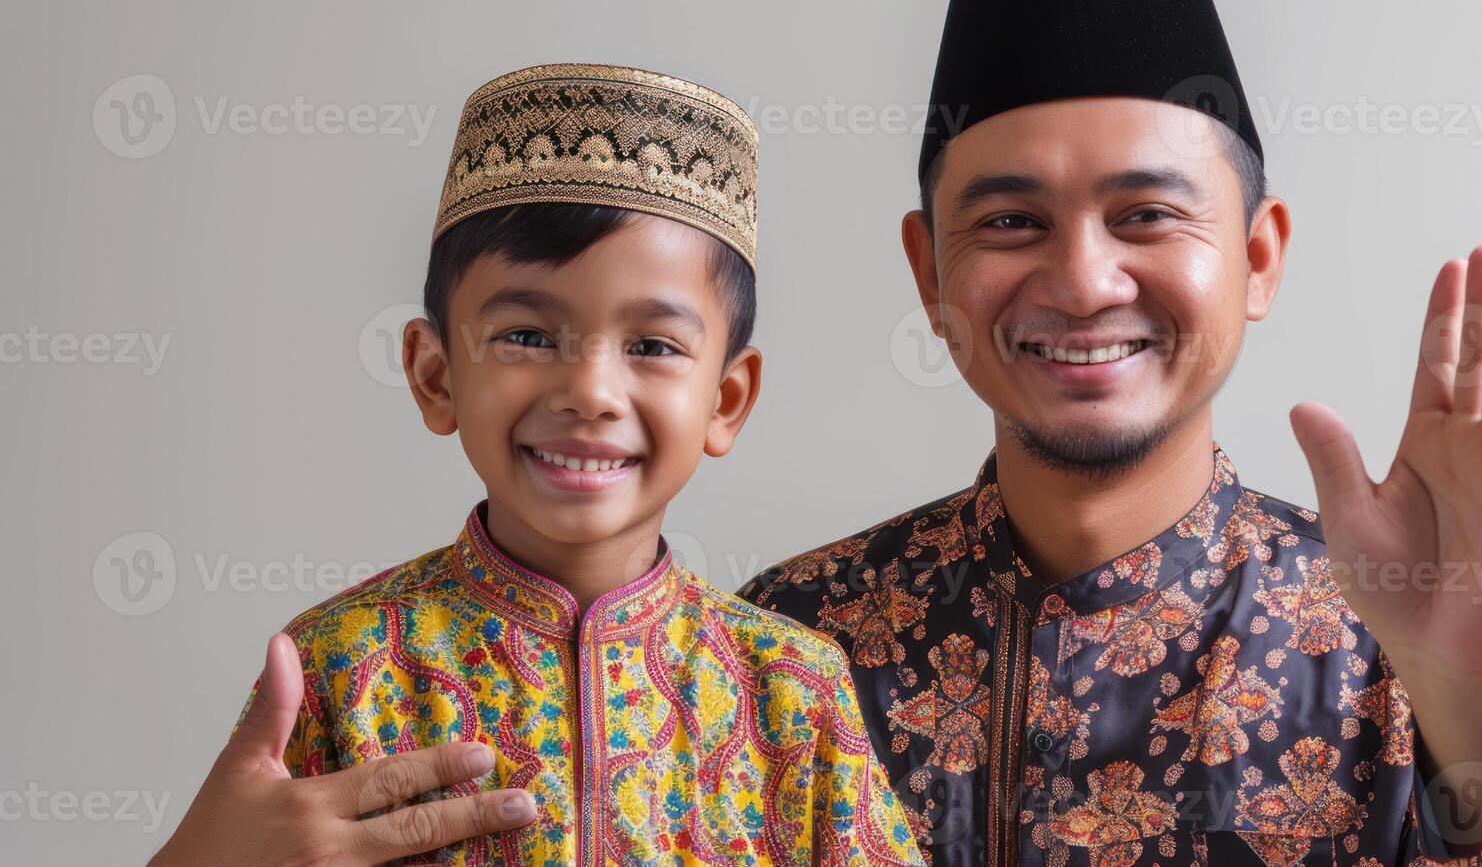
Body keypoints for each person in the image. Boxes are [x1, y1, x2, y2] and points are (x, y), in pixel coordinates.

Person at [738, 0, 1482, 866]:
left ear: (1256, 256)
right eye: (1014, 221)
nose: (1082, 282)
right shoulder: (789, 645)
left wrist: (1473, 706)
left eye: (1146, 214)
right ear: (929, 274)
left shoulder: (1411, 631)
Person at [150, 63, 923, 866]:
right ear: (435, 374)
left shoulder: (790, 688)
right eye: (526, 336)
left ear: (725, 400)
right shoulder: (342, 666)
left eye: (652, 347)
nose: (589, 392)